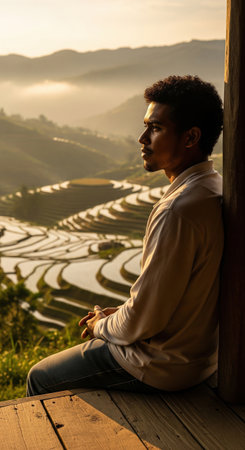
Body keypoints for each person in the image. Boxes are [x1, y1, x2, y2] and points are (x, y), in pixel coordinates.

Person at [27, 75, 224, 396]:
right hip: (199, 358)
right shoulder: (211, 188)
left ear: (191, 137)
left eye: (156, 128)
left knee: (40, 376)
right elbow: (171, 297)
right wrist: (119, 313)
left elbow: (143, 322)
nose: (142, 138)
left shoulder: (178, 210)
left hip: (161, 364)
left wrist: (99, 326)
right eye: (146, 126)